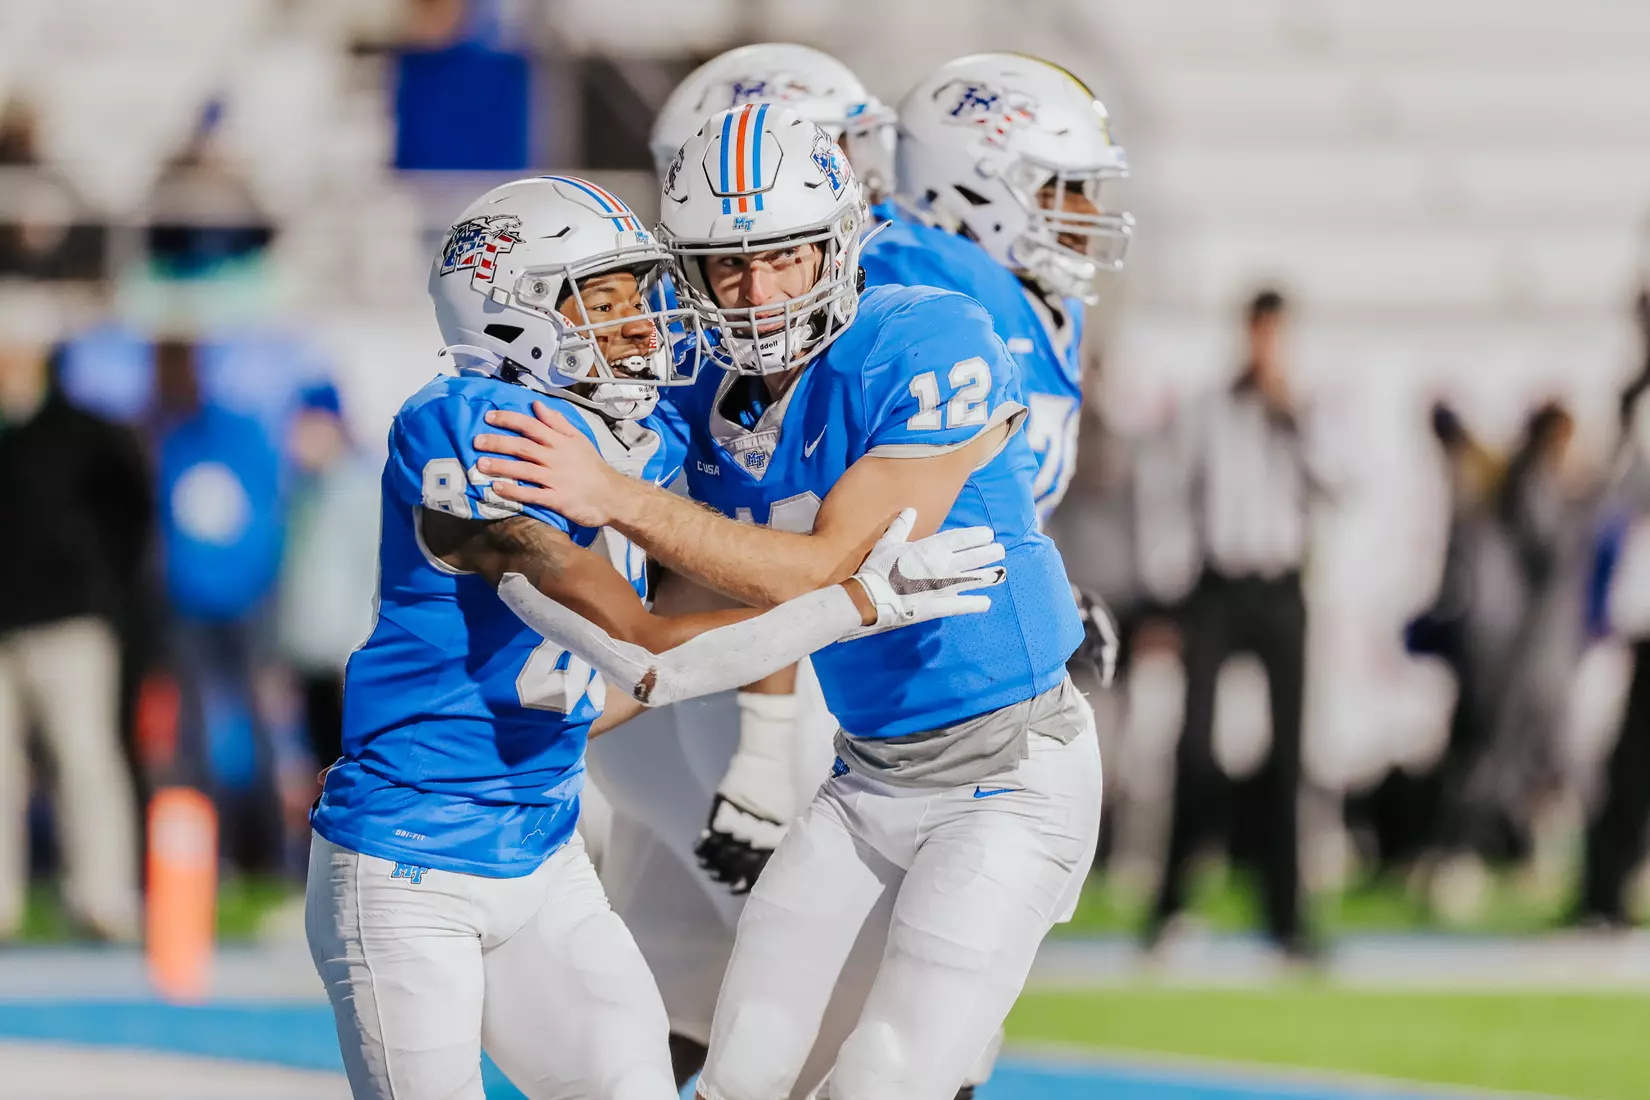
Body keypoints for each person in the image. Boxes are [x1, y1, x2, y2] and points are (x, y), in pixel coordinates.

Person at [304, 174, 1001, 1100]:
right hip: (409, 863)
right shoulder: (468, 431)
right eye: (603, 299)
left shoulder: (656, 440)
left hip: (545, 852)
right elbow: (641, 647)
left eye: (640, 293)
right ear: (511, 318)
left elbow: (741, 576)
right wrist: (859, 603)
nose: (639, 323)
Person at [473, 107, 1102, 1100]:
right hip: (868, 780)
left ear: (839, 246)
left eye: (785, 258)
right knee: (746, 1067)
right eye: (729, 266)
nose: (758, 294)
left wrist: (614, 492)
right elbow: (662, 615)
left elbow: (824, 567)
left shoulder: (928, 332)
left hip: (1010, 775)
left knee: (888, 1073)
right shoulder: (702, 396)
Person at [583, 42, 904, 1089]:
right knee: (854, 1014)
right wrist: (765, 742)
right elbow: (753, 560)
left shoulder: (669, 337)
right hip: (741, 692)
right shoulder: (837, 330)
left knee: (671, 994)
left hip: (661, 690)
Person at [1141, 289, 1318, 961]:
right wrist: (1169, 591)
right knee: (1194, 747)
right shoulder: (1208, 411)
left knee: (1289, 752)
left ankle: (1286, 913)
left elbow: (1341, 484)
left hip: (1280, 586)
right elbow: (1169, 496)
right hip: (1217, 587)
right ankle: (1172, 904)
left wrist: (1292, 418)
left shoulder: (1304, 411)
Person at [0, 292, 149, 942]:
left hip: (70, 623)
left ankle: (101, 898)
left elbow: (132, 519)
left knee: (85, 759)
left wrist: (99, 586)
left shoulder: (86, 433)